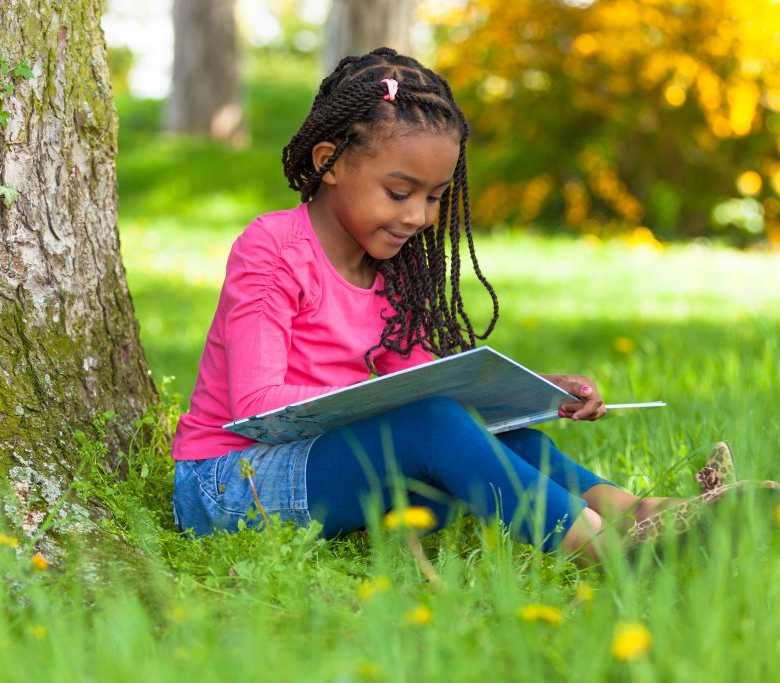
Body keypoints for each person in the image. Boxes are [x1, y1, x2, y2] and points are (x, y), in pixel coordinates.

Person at [170, 47, 704, 565]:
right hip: (229, 482)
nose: (420, 217)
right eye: (399, 193)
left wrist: (534, 391)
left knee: (495, 432)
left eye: (434, 196)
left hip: (335, 465)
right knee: (432, 423)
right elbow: (256, 403)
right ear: (328, 162)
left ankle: (636, 510)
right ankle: (604, 549)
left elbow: (427, 388)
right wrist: (394, 405)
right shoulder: (273, 250)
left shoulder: (397, 270)